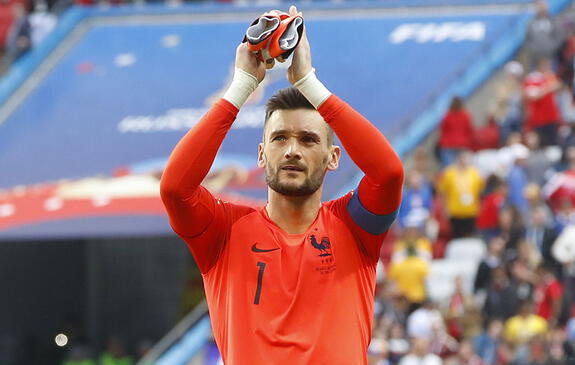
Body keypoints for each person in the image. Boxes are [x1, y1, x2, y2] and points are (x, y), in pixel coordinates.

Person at [160, 6, 404, 364]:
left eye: (308, 139)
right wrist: (242, 86)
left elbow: (389, 173)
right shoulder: (223, 233)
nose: (292, 150)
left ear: (333, 157)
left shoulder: (354, 228)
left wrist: (308, 82)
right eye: (279, 139)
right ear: (261, 154)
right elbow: (175, 189)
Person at [437, 151, 483, 238]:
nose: (463, 160)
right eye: (461, 158)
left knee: (470, 236)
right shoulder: (449, 173)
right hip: (455, 211)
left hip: (471, 211)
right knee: (456, 236)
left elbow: (480, 191)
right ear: (457, 159)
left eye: (465, 158)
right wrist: (444, 208)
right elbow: (443, 192)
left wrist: (479, 205)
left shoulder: (474, 173)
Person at [437, 96, 474, 167]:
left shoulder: (447, 116)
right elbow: (470, 131)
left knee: (450, 170)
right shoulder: (466, 116)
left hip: (448, 145)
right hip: (462, 145)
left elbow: (442, 130)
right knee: (463, 169)